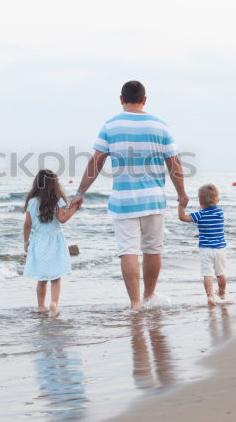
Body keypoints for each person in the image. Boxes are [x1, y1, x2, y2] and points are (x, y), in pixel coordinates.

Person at [70, 81, 188, 310]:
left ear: (121, 99)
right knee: (153, 250)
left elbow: (96, 161)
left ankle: (135, 304)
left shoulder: (110, 125)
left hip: (123, 201)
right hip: (153, 199)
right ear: (145, 100)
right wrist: (181, 193)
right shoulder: (160, 126)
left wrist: (80, 192)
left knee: (128, 252)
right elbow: (174, 164)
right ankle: (149, 296)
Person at [23, 169, 80, 317]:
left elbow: (27, 224)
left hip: (39, 241)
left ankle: (41, 306)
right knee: (55, 277)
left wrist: (25, 241)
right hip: (55, 241)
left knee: (41, 278)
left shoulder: (32, 201)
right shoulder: (57, 200)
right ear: (53, 184)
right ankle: (54, 303)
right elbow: (63, 219)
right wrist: (74, 208)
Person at [179, 183, 227, 306]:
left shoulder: (200, 214)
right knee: (220, 273)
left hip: (206, 250)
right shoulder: (220, 213)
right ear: (218, 200)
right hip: (220, 249)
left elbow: (182, 218)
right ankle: (221, 293)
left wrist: (181, 206)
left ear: (200, 201)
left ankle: (210, 296)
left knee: (207, 274)